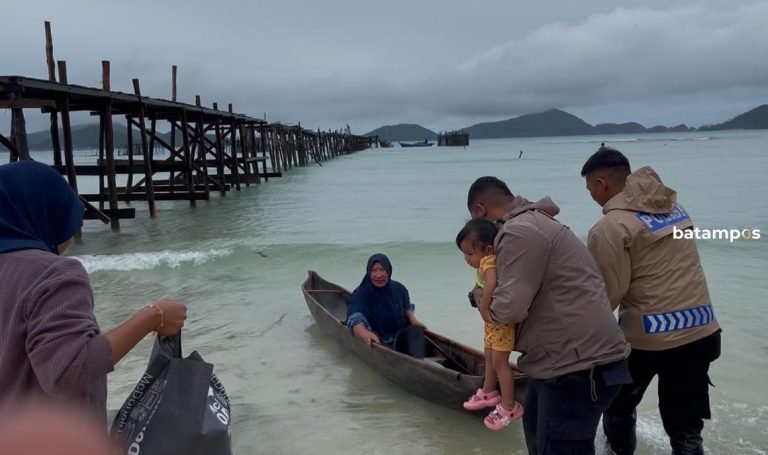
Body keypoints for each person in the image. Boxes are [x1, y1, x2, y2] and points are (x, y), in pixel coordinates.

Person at [0, 160, 187, 423]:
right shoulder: (52, 274)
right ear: (47, 211)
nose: (77, 227)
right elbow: (67, 372)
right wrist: (153, 316)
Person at [467, 176, 631, 455]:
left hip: (577, 366)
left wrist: (479, 298)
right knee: (538, 440)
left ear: (481, 210)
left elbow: (508, 309)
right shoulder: (536, 223)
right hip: (566, 361)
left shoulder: (519, 231)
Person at [581, 148, 721, 455]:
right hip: (702, 331)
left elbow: (606, 295)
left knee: (617, 409)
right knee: (685, 426)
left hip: (649, 339)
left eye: (589, 187)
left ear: (602, 182)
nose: (590, 194)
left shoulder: (610, 227)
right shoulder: (676, 209)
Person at [456, 219, 523, 431]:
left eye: (469, 254)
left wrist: (484, 307)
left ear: (487, 249)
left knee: (500, 362)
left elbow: (492, 283)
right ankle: (488, 391)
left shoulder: (488, 262)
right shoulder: (485, 261)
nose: (467, 259)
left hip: (499, 322)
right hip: (493, 325)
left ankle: (510, 406)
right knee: (489, 355)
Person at [346, 253, 427, 356]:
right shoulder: (361, 293)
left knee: (416, 331)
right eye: (374, 271)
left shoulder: (399, 288)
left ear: (389, 270)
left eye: (382, 270)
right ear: (368, 272)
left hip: (398, 336)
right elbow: (354, 317)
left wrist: (414, 320)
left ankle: (421, 361)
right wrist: (363, 333)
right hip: (377, 338)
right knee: (373, 336)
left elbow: (406, 308)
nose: (378, 275)